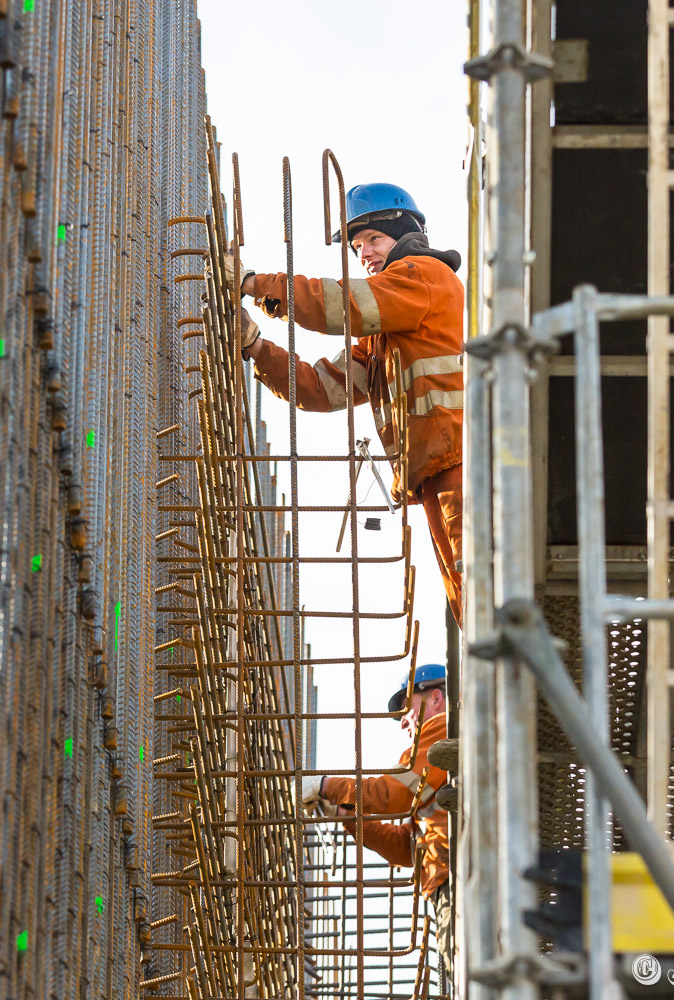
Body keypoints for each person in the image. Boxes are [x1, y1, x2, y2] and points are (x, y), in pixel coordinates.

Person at [230, 182, 465, 627]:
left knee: (480, 586)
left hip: (460, 464)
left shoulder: (424, 277)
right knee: (467, 597)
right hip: (435, 472)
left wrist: (255, 285)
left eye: (373, 239)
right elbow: (322, 387)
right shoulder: (386, 337)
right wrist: (257, 347)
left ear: (407, 233)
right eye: (357, 247)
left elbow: (343, 304)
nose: (365, 255)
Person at [301, 663, 457, 985]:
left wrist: (328, 785)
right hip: (444, 875)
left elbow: (394, 793)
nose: (403, 722)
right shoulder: (436, 759)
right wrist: (346, 816)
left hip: (458, 875)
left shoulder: (443, 729)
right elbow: (406, 848)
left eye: (405, 708)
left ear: (436, 697)